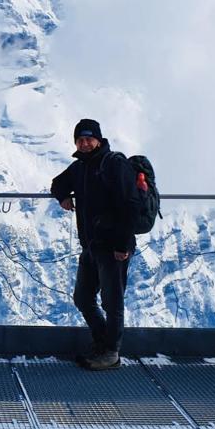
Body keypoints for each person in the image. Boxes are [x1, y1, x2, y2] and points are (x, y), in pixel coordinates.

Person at [50, 119, 139, 371]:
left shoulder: (114, 164)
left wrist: (122, 245)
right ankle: (103, 343)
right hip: (90, 246)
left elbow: (130, 205)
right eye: (80, 139)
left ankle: (111, 353)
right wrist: (64, 196)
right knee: (83, 297)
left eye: (89, 139)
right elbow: (57, 183)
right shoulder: (80, 168)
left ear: (99, 140)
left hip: (113, 247)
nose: (85, 143)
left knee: (112, 301)